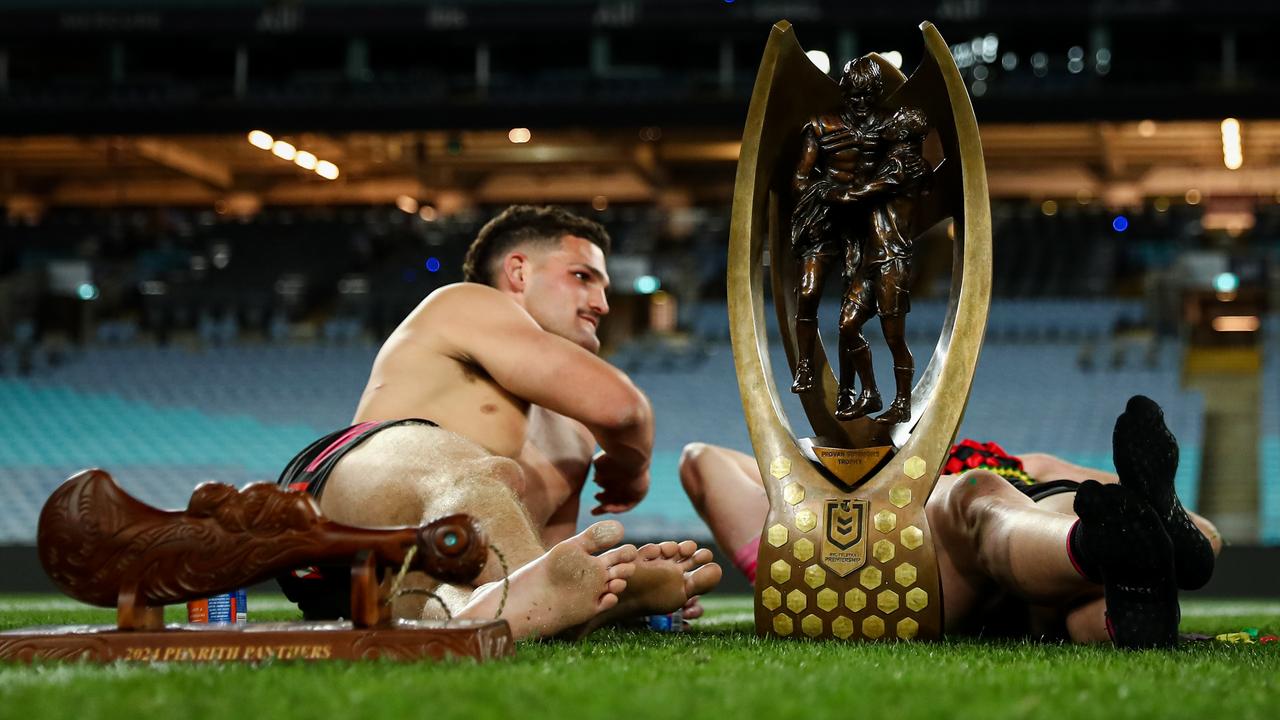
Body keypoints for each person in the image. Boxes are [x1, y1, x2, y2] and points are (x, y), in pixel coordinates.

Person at [276, 205, 721, 641]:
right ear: (518, 272)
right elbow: (623, 408)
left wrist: (575, 580)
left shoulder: (574, 436)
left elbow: (546, 563)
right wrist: (632, 467)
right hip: (331, 510)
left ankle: (538, 604)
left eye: (604, 288)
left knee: (479, 591)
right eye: (582, 277)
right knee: (474, 468)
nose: (602, 304)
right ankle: (599, 594)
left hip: (382, 588)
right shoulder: (464, 302)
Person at [678, 395, 1221, 648]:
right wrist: (804, 466)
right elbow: (702, 460)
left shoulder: (1019, 463)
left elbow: (1137, 486)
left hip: (1034, 539)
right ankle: (1141, 549)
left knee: (1093, 573)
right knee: (981, 498)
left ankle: (1128, 596)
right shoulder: (816, 512)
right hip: (965, 544)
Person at [790, 56, 891, 417]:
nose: (859, 104)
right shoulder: (820, 126)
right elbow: (800, 179)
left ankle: (848, 389)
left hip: (864, 229)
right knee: (808, 291)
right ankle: (805, 364)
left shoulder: (885, 129)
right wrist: (830, 191)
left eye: (867, 97)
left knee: (850, 317)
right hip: (825, 220)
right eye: (854, 95)